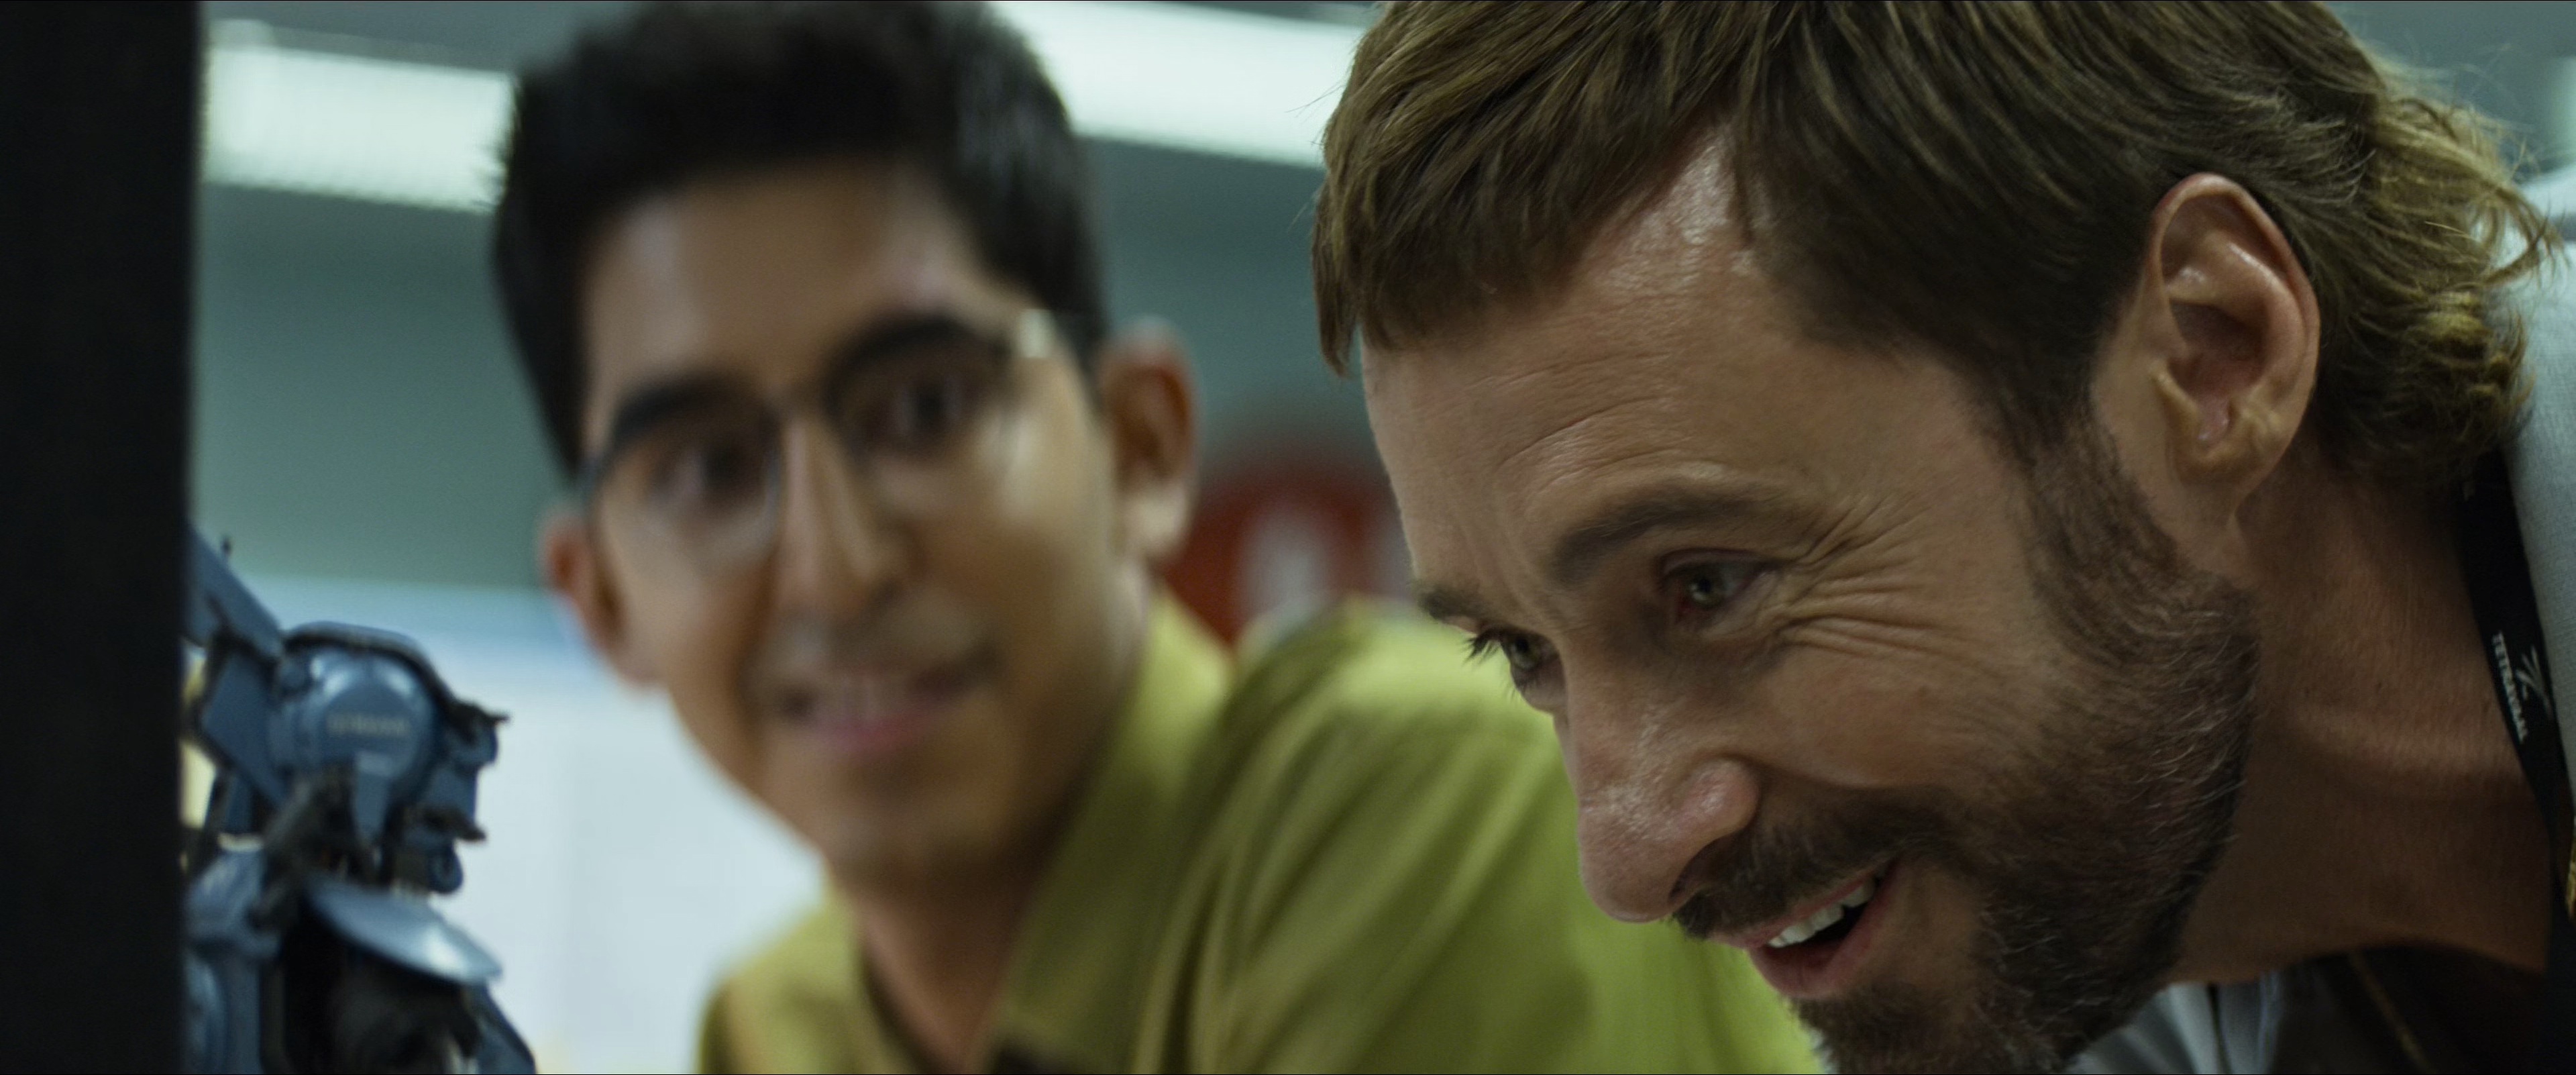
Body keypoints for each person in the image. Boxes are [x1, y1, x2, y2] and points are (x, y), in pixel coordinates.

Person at [490, 3, 1815, 1072]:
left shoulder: (1425, 813)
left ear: (1139, 442)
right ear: (598, 597)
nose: (835, 568)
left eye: (924, 408)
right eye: (710, 469)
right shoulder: (777, 1028)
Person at [1313, 1, 2576, 1072]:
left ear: (2212, 354)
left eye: (1708, 584)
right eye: (1524, 651)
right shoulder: (2079, 947)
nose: (1629, 857)